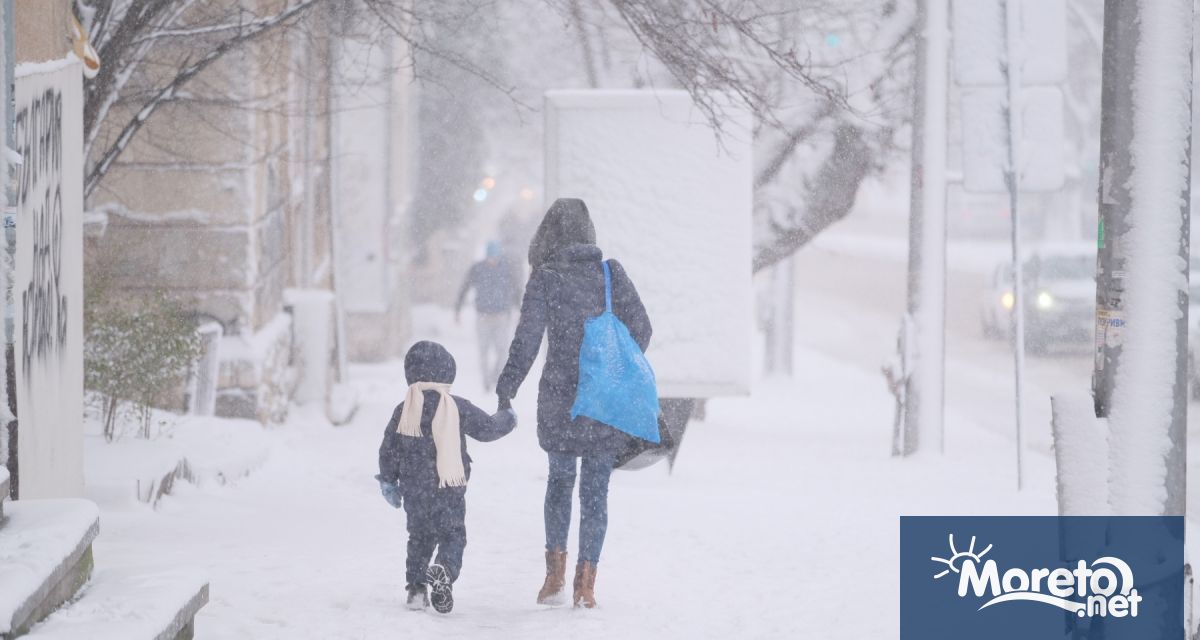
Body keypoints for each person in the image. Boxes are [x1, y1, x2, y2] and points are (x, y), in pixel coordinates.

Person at [495, 198, 652, 609]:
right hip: (602, 398)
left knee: (560, 482)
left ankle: (554, 576)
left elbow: (527, 340)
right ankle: (586, 585)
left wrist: (507, 385)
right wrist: (613, 363)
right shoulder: (609, 273)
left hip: (561, 399)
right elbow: (643, 328)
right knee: (596, 492)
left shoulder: (546, 277)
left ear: (549, 233)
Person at [377, 341, 516, 614]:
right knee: (453, 536)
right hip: (448, 489)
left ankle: (416, 590)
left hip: (415, 491)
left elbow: (389, 448)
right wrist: (508, 418)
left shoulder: (403, 410)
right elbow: (487, 429)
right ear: (447, 371)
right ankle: (444, 570)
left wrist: (388, 480)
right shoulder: (455, 406)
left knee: (419, 538)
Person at [455, 241, 522, 391]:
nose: (492, 260)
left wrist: (520, 310)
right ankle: (486, 381)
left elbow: (516, 290)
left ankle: (495, 376)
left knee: (502, 351)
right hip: (483, 316)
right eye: (490, 257)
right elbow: (465, 287)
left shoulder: (507, 269)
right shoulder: (477, 269)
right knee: (483, 351)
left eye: (495, 257)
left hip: (502, 316)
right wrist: (458, 309)